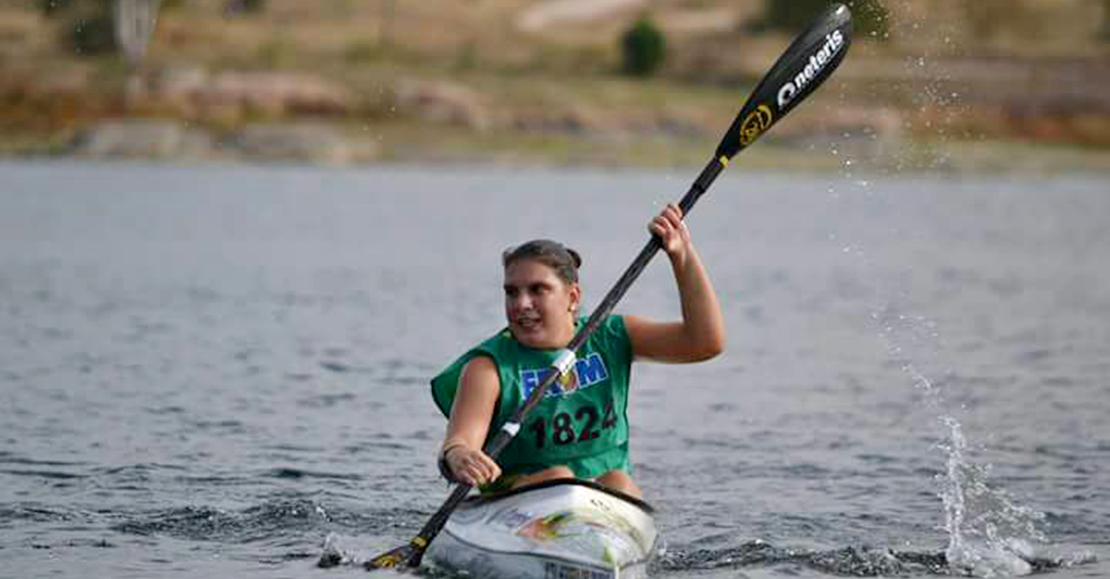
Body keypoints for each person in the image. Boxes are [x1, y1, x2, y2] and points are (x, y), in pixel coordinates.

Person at [429, 203, 724, 499]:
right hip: (516, 501)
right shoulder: (488, 367)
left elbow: (704, 343)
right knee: (560, 477)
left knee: (618, 481)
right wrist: (458, 456)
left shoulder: (611, 336)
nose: (521, 304)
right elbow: (459, 442)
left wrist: (681, 256)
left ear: (572, 297)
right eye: (511, 292)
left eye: (537, 290)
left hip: (610, 503)